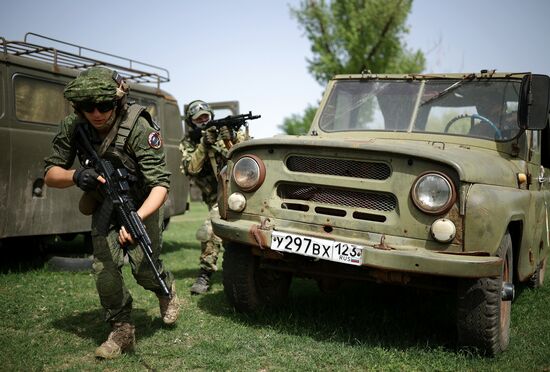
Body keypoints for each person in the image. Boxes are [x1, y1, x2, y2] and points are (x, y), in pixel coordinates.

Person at [44, 66, 180, 359]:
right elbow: (50, 174)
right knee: (104, 268)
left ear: (118, 100)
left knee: (144, 267)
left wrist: (137, 219)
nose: (96, 113)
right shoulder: (73, 126)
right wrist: (76, 176)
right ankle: (122, 329)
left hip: (142, 204)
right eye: (87, 107)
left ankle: (165, 290)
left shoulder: (139, 126)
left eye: (104, 105)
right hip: (104, 204)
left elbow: (160, 184)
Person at [179, 100, 249, 294]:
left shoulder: (231, 133)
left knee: (220, 232)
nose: (203, 120)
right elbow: (191, 168)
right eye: (198, 118)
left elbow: (248, 158)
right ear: (192, 122)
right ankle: (206, 273)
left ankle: (209, 274)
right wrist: (203, 145)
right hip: (216, 196)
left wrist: (232, 138)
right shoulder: (189, 143)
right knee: (214, 231)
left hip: (241, 192)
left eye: (205, 116)